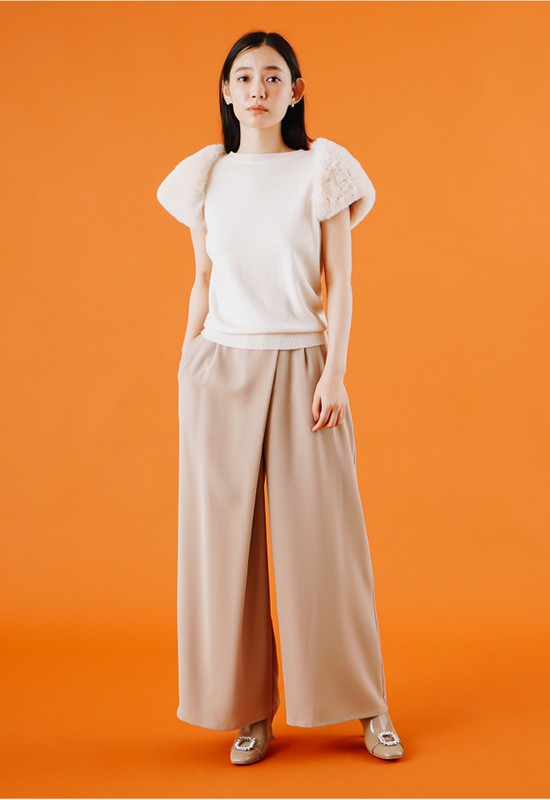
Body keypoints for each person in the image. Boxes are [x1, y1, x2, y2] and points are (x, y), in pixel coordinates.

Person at [156, 30, 404, 766]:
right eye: (243, 77)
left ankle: (368, 704)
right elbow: (203, 278)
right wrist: (188, 360)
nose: (257, 90)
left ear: (295, 91)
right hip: (221, 369)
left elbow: (342, 282)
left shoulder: (321, 169)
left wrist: (335, 373)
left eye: (272, 77)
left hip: (303, 364)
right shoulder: (206, 176)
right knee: (223, 551)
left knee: (325, 543)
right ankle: (248, 712)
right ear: (226, 91)